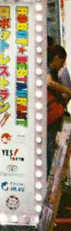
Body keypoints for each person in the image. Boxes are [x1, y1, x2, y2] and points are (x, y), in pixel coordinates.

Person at [47, 44, 71, 173]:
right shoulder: (48, 70)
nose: (62, 65)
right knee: (54, 153)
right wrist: (67, 91)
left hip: (54, 117)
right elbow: (49, 82)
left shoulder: (53, 70)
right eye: (61, 62)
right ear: (56, 58)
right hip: (51, 119)